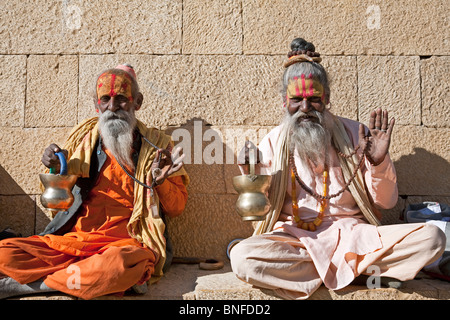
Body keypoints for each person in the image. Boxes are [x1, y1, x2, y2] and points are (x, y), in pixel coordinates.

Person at [230, 38, 446, 300]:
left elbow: (386, 202)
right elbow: (258, 211)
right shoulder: (272, 143)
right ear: (284, 101)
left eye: (314, 99)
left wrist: (378, 162)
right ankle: (363, 274)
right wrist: (250, 175)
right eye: (296, 100)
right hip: (296, 241)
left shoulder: (358, 135)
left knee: (432, 238)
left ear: (328, 98)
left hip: (355, 239)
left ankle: (316, 276)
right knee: (243, 257)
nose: (305, 108)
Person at [0, 64, 189, 300]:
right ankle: (78, 280)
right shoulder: (82, 141)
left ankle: (25, 286)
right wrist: (55, 166)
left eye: (121, 99)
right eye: (105, 100)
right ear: (95, 104)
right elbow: (56, 202)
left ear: (137, 102)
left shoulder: (159, 147)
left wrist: (159, 181)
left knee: (120, 267)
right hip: (74, 241)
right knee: (4, 254)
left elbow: (177, 207)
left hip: (124, 246)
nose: (112, 108)